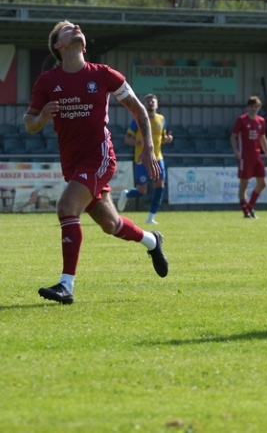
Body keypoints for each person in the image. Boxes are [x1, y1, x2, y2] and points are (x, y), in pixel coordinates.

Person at [24, 21, 168, 305]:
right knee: (110, 224)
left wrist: (149, 147)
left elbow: (139, 110)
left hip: (100, 156)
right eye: (67, 28)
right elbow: (29, 122)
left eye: (76, 27)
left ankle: (66, 285)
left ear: (84, 44)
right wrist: (41, 119)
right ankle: (152, 241)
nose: (75, 27)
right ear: (59, 45)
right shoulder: (47, 81)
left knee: (66, 207)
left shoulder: (103, 74)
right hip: (73, 164)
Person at [117, 93, 173, 224]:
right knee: (142, 190)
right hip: (142, 159)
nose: (151, 103)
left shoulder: (161, 119)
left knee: (159, 186)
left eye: (153, 101)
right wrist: (137, 141)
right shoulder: (139, 119)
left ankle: (151, 217)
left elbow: (162, 137)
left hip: (158, 158)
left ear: (157, 104)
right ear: (144, 104)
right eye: (148, 101)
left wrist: (167, 139)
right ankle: (126, 194)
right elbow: (127, 139)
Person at [231, 95, 267, 218]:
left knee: (263, 183)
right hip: (245, 157)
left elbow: (263, 138)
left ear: (259, 107)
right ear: (248, 107)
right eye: (251, 106)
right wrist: (236, 151)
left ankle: (249, 206)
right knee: (244, 184)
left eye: (256, 106)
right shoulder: (242, 120)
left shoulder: (261, 121)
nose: (253, 109)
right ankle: (246, 211)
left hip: (257, 156)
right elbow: (233, 136)